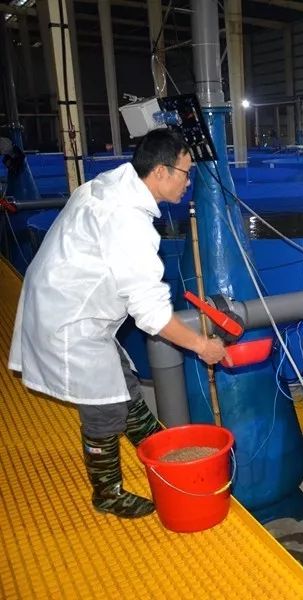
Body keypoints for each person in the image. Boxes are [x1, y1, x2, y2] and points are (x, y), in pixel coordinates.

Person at [8, 128, 227, 519]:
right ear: (160, 172)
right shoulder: (130, 223)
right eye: (184, 172)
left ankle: (164, 453)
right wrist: (202, 346)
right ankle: (107, 494)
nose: (188, 181)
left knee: (123, 380)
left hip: (63, 299)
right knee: (104, 409)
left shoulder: (112, 184)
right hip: (71, 318)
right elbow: (153, 314)